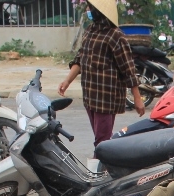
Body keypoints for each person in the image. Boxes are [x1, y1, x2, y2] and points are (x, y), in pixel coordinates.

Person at [57, 0, 145, 148]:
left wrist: (137, 98)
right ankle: (103, 167)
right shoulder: (90, 31)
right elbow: (79, 59)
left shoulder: (115, 36)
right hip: (90, 95)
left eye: (90, 8)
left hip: (106, 98)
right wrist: (67, 81)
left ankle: (101, 168)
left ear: (98, 11)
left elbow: (128, 69)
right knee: (100, 139)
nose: (88, 10)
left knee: (102, 141)